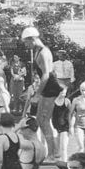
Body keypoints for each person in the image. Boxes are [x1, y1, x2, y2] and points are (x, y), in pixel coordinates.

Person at [21, 27, 62, 159]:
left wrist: (37, 94)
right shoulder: (38, 51)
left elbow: (45, 75)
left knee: (44, 121)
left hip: (50, 88)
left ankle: (53, 153)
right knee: (39, 120)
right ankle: (50, 150)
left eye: (27, 42)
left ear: (32, 39)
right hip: (47, 88)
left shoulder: (44, 53)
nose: (26, 46)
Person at [69, 82, 85, 152]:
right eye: (82, 90)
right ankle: (79, 160)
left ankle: (84, 160)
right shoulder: (76, 100)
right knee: (81, 146)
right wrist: (70, 126)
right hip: (78, 125)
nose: (83, 92)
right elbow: (71, 113)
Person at [52, 86, 71, 161]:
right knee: (56, 150)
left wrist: (71, 126)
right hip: (55, 126)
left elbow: (72, 114)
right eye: (62, 91)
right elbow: (49, 116)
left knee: (64, 148)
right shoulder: (53, 101)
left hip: (64, 126)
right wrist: (51, 128)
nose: (64, 92)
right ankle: (57, 165)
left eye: (65, 91)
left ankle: (65, 164)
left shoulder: (67, 101)